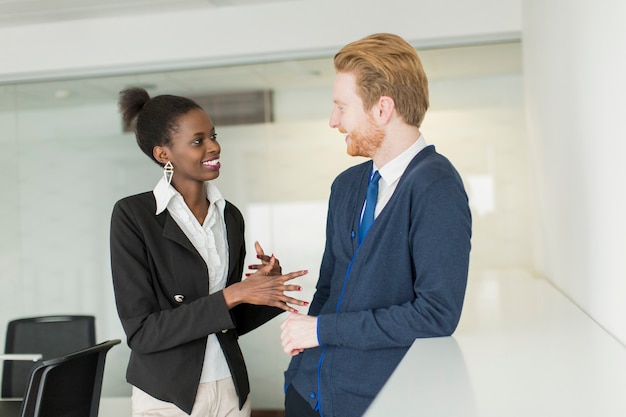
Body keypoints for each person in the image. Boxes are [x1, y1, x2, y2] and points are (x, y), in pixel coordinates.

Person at [280, 33, 472, 417]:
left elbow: (437, 314)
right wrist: (304, 346)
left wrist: (322, 331)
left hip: (372, 402)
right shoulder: (346, 185)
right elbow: (328, 287)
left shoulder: (436, 187)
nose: (333, 121)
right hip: (308, 391)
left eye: (341, 107)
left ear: (382, 109)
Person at [110, 87, 308, 417]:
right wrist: (234, 294)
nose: (214, 146)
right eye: (198, 140)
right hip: (168, 397)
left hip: (231, 389)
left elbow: (226, 322)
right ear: (164, 154)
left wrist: (263, 291)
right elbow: (143, 333)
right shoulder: (134, 216)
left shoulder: (228, 216)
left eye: (212, 136)